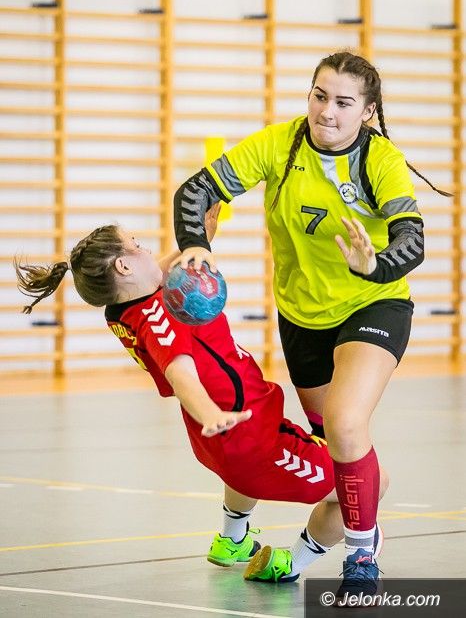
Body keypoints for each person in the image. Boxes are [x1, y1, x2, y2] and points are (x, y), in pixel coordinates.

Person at [172, 51, 448, 598]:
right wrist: (196, 245)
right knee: (330, 446)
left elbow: (412, 240)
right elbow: (196, 191)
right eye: (319, 96)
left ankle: (362, 558)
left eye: (344, 102)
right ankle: (294, 556)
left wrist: (374, 265)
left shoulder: (380, 160)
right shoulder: (280, 143)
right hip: (302, 317)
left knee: (345, 424)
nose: (327, 111)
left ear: (367, 112)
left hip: (374, 303)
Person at [15, 208, 388, 594]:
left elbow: (156, 275)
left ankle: (233, 538)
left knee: (241, 472)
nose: (148, 250)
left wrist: (196, 241)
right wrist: (211, 413)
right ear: (124, 266)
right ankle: (290, 562)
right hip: (253, 440)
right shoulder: (161, 321)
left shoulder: (123, 309)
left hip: (222, 442)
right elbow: (181, 374)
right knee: (369, 482)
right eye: (136, 245)